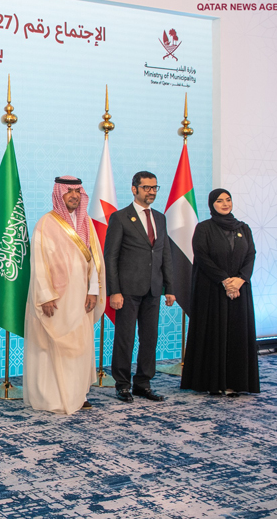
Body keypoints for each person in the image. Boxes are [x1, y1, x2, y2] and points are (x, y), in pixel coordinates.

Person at [23, 177, 106, 414]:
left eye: (77, 191)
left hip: (81, 299)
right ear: (58, 193)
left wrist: (93, 291)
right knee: (51, 345)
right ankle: (53, 398)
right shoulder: (45, 224)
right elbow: (39, 264)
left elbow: (95, 261)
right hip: (56, 299)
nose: (74, 195)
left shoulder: (87, 223)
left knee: (79, 346)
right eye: (68, 191)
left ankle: (77, 395)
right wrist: (46, 296)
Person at [104, 171, 176, 403]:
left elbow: (165, 254)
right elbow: (111, 257)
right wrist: (114, 290)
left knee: (149, 339)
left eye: (155, 187)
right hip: (126, 291)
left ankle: (143, 383)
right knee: (125, 338)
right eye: (146, 187)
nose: (152, 192)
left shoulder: (160, 217)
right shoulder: (120, 217)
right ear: (134, 189)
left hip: (154, 289)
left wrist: (170, 288)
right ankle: (122, 384)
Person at [181, 189, 259, 396]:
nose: (225, 204)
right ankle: (213, 382)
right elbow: (202, 257)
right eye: (219, 201)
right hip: (212, 291)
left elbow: (251, 255)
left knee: (237, 334)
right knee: (215, 334)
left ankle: (236, 381)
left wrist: (241, 279)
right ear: (211, 204)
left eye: (228, 200)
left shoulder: (244, 228)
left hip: (239, 291)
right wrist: (225, 281)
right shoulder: (204, 228)